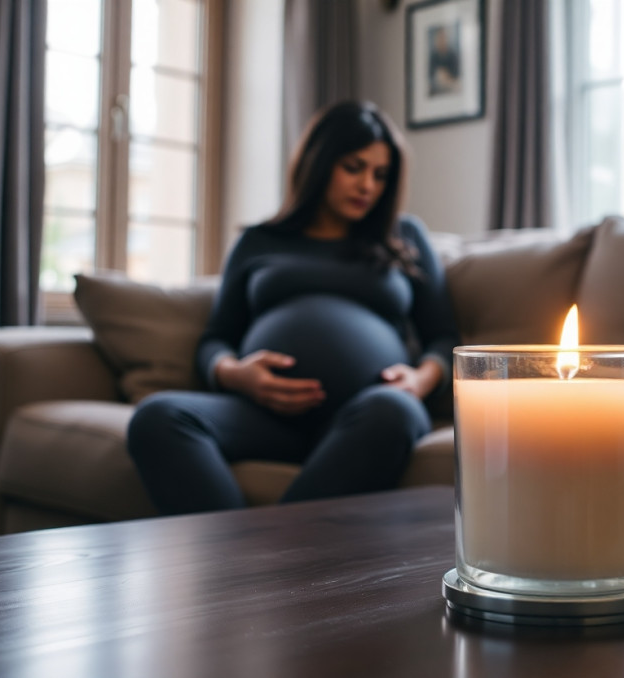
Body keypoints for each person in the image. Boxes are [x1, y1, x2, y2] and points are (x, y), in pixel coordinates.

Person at [127, 101, 459, 515]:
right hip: (265, 416)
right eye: (353, 167)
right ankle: (261, 564)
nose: (368, 186)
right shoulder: (259, 241)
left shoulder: (404, 236)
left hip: (365, 413)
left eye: (380, 174)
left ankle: (254, 565)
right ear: (319, 163)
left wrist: (419, 380)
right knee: (157, 416)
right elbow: (215, 340)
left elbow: (444, 337)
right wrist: (236, 374)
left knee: (394, 410)